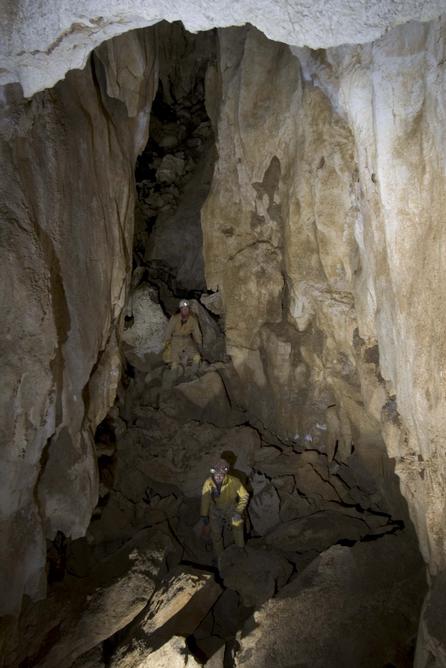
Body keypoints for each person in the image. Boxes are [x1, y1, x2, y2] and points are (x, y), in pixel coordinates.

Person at [200, 459, 249, 556]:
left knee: (237, 524)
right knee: (215, 534)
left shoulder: (234, 481)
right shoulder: (208, 482)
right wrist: (204, 515)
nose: (218, 476)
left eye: (221, 474)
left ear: (226, 472)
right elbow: (205, 499)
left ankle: (240, 549)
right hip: (215, 509)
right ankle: (220, 556)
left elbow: (244, 496)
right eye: (216, 473)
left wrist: (238, 511)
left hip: (230, 507)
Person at [163, 299, 202, 373]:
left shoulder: (193, 320)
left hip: (187, 341)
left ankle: (193, 374)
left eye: (187, 308)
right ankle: (173, 379)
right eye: (183, 309)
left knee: (197, 357)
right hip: (175, 341)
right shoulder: (174, 318)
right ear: (180, 309)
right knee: (175, 362)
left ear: (189, 309)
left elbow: (197, 333)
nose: (185, 310)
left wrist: (199, 343)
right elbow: (168, 330)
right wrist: (167, 343)